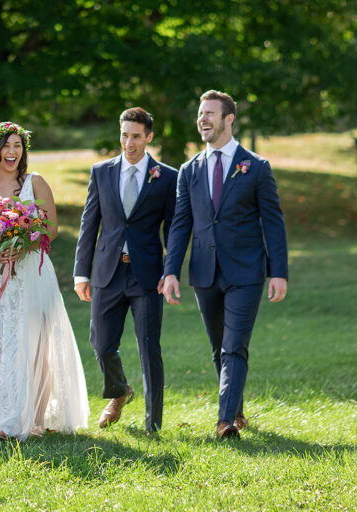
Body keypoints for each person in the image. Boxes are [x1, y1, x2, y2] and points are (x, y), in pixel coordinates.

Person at [162, 90, 288, 439]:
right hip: (204, 272)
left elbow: (273, 222)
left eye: (210, 114)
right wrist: (171, 270)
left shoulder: (256, 167)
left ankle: (225, 421)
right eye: (200, 114)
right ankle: (236, 408)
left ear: (229, 118)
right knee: (219, 347)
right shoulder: (189, 170)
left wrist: (278, 271)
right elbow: (180, 224)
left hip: (246, 271)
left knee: (234, 345)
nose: (203, 119)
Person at [0, 122, 89, 440]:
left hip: (32, 272)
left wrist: (23, 243)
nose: (13, 152)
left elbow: (52, 228)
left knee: (38, 345)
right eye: (7, 146)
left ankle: (37, 419)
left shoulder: (36, 182)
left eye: (18, 145)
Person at [73, 108, 178, 435]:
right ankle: (119, 390)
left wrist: (170, 271)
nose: (128, 142)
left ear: (148, 137)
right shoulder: (101, 172)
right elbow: (89, 224)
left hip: (148, 276)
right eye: (124, 135)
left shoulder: (167, 176)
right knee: (102, 344)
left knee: (149, 348)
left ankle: (153, 424)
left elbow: (174, 230)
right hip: (107, 272)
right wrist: (81, 272)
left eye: (135, 136)